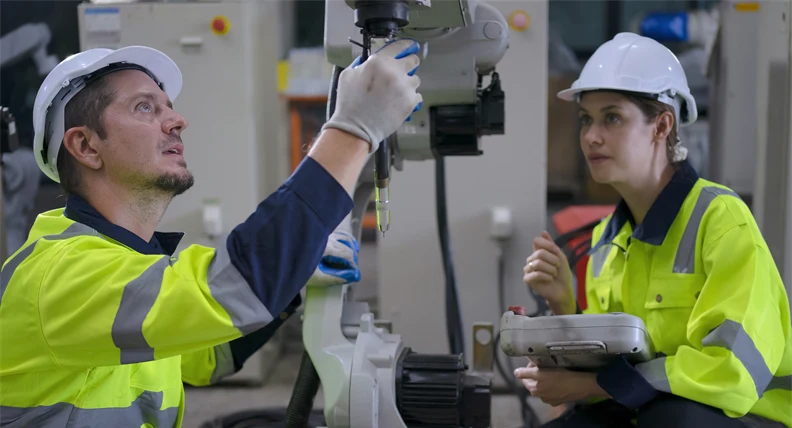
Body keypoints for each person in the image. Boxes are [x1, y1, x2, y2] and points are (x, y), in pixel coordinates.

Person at [0, 40, 422, 427]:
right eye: (145, 108)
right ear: (86, 147)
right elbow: (230, 289)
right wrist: (352, 131)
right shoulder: (58, 276)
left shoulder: (127, 266)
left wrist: (291, 286)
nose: (177, 120)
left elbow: (205, 357)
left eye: (169, 106)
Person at [517, 32, 791, 428]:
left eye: (612, 117)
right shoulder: (606, 241)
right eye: (586, 120)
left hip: (747, 417)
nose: (591, 136)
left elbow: (731, 373)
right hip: (652, 411)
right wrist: (564, 304)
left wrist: (589, 386)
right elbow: (612, 362)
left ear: (662, 125)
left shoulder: (720, 220)